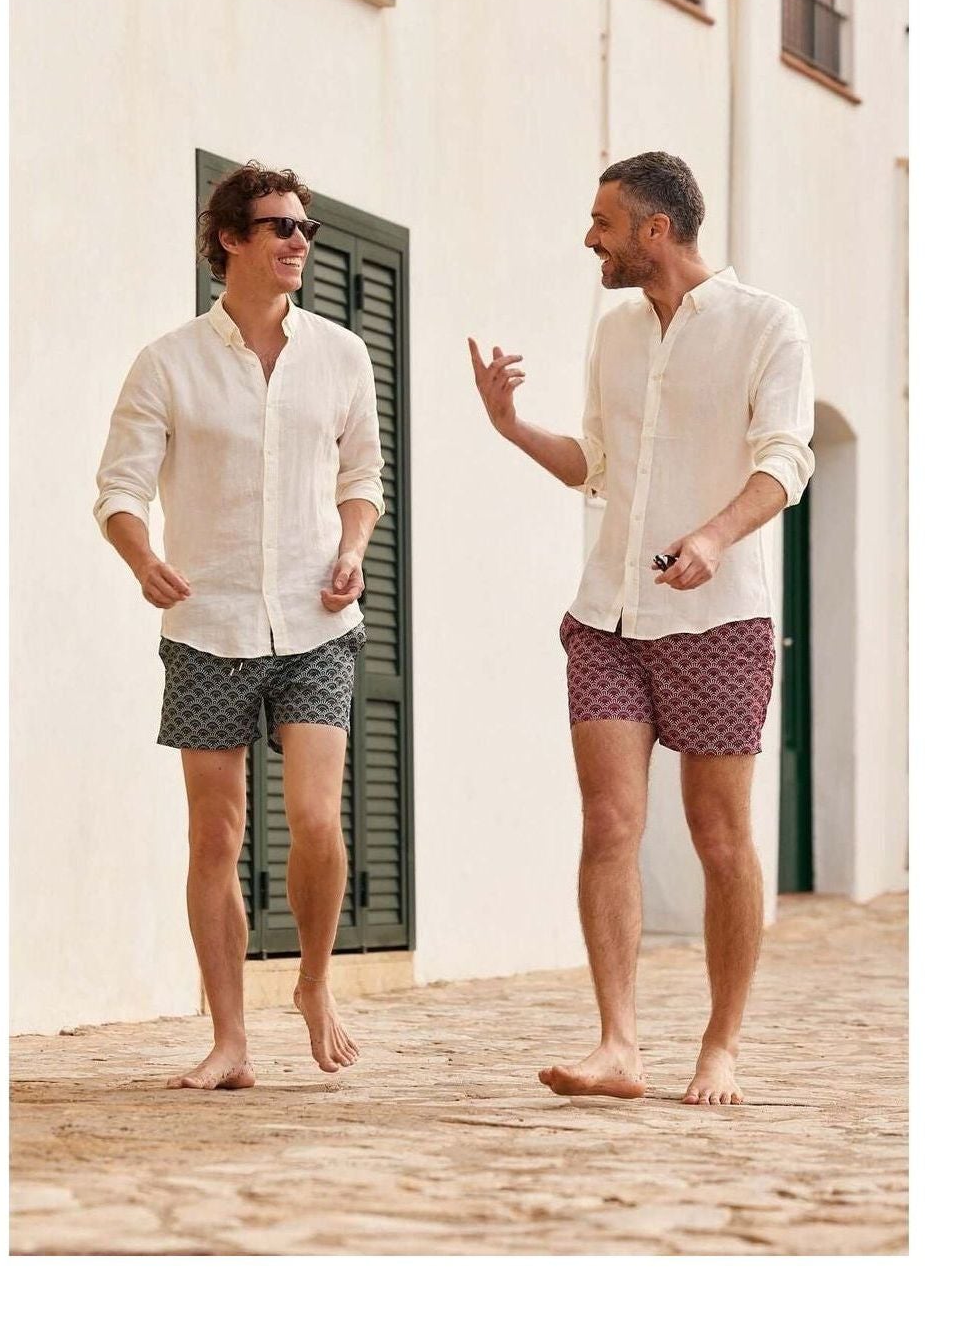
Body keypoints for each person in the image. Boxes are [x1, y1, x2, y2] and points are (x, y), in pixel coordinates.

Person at [468, 151, 814, 1106]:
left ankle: (722, 1044)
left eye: (603, 223)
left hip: (717, 616)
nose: (591, 239)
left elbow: (787, 460)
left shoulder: (766, 325)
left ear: (655, 230)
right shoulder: (615, 331)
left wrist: (712, 535)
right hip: (609, 615)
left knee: (718, 835)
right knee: (610, 823)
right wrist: (511, 425)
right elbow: (596, 462)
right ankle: (618, 1042)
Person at [94, 161, 383, 1089]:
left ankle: (312, 982)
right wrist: (143, 561)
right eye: (280, 227)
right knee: (215, 838)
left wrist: (353, 548)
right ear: (230, 238)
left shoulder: (341, 354)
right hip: (205, 622)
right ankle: (229, 1039)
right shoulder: (167, 362)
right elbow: (119, 491)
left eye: (305, 227)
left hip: (315, 621)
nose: (300, 241)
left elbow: (362, 482)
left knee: (314, 820)